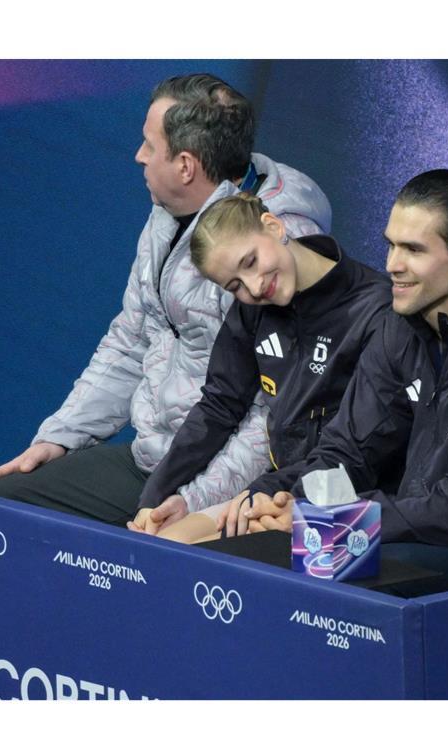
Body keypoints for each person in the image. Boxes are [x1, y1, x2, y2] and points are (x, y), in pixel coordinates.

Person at [0, 73, 331, 525]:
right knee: (1, 505)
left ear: (185, 166)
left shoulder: (273, 251)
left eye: (149, 145)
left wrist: (191, 503)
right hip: (158, 461)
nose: (138, 156)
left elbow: (274, 414)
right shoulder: (166, 215)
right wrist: (61, 437)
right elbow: (132, 340)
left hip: (239, 488)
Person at [213, 169, 448, 596]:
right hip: (409, 526)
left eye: (413, 250)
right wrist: (275, 494)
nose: (391, 265)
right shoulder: (399, 327)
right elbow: (348, 449)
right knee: (254, 549)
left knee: (318, 564)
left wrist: (336, 517)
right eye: (391, 244)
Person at [124, 192, 391, 541]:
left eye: (250, 261)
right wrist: (156, 497)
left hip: (346, 500)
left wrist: (260, 494)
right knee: (158, 538)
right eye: (234, 286)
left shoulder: (376, 310)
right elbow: (219, 406)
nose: (253, 286)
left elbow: (356, 451)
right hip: (276, 491)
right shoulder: (253, 308)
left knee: (179, 547)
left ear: (274, 226)